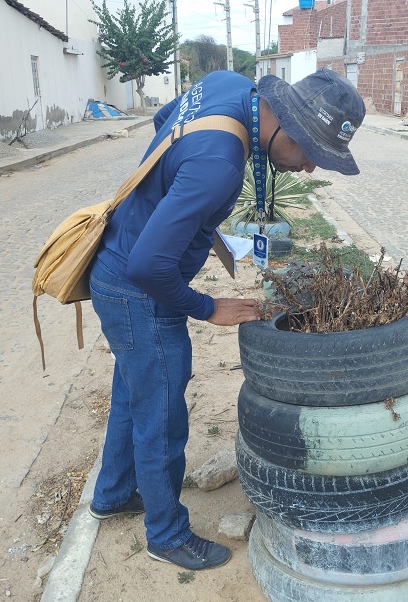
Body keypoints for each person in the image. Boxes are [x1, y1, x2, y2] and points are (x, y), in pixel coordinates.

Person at [86, 68, 366, 571]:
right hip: (138, 290)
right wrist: (209, 308)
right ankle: (166, 534)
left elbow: (162, 123)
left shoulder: (227, 86)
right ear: (289, 126)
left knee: (134, 394)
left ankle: (111, 494)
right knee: (161, 416)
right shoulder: (220, 165)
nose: (308, 170)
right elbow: (149, 266)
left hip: (117, 265)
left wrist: (193, 220)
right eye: (310, 154)